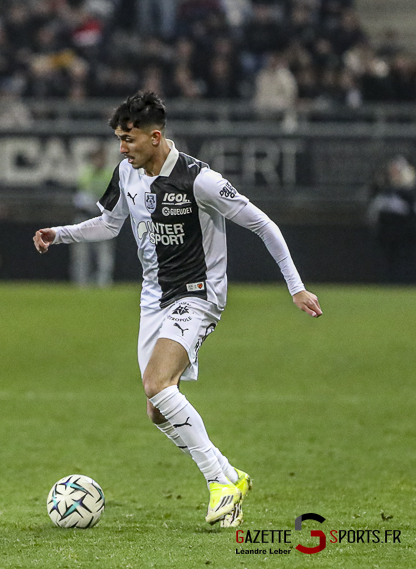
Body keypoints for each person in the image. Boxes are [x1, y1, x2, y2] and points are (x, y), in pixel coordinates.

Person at [33, 92, 322, 527]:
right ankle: (230, 473)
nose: (121, 148)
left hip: (198, 294)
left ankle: (218, 486)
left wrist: (296, 287)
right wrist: (61, 233)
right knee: (156, 407)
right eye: (118, 139)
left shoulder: (198, 180)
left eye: (128, 140)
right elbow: (111, 224)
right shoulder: (126, 174)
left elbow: (263, 223)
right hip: (154, 299)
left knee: (156, 382)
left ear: (155, 136)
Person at [71, 145, 116, 287]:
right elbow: (79, 197)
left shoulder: (109, 175)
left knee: (104, 255)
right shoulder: (86, 174)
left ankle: (103, 283)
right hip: (85, 217)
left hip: (103, 219)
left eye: (101, 158)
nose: (99, 161)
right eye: (96, 158)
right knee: (81, 255)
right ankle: (81, 284)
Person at [367, 155, 416, 283]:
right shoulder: (384, 191)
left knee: (405, 260)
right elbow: (375, 213)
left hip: (406, 235)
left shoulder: (409, 193)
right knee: (389, 260)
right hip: (388, 235)